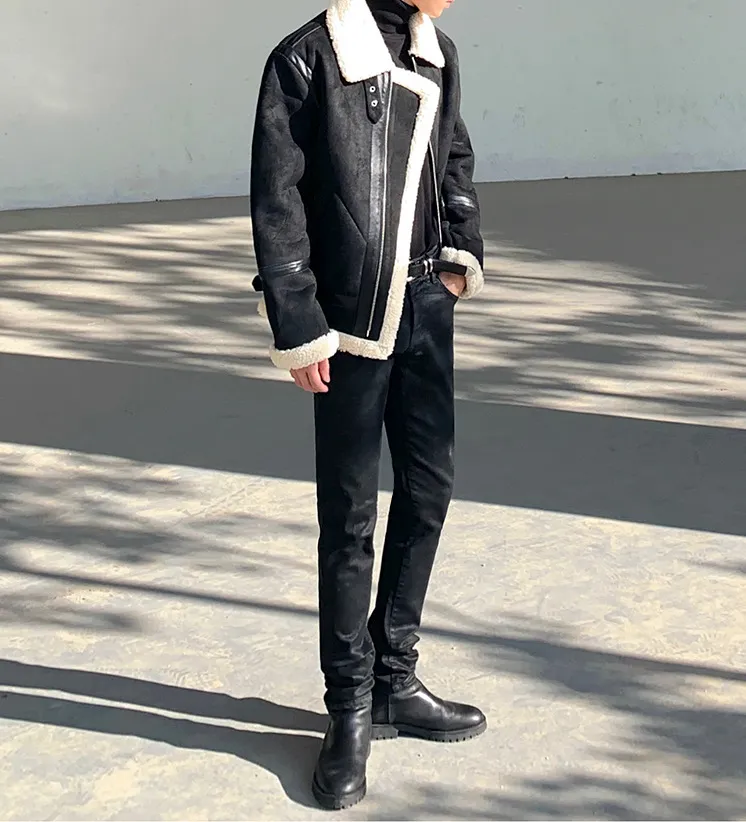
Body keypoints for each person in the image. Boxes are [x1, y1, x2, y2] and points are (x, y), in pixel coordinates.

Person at [251, 0, 485, 810]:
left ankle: (395, 678)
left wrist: (458, 255)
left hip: (426, 308)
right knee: (349, 518)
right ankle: (348, 707)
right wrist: (299, 321)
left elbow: (454, 155)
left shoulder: (436, 49)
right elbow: (278, 197)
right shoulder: (308, 57)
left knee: (430, 490)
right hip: (350, 323)